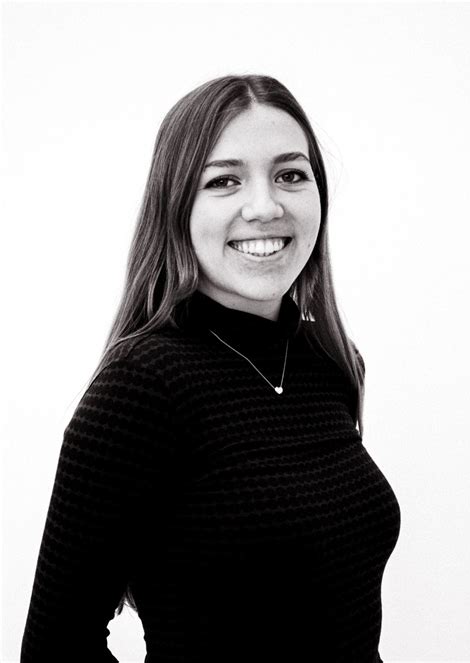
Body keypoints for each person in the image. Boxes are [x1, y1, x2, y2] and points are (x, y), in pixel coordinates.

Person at [20, 74, 401, 663]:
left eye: (290, 175)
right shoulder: (143, 386)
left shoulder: (329, 361)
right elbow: (57, 647)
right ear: (177, 206)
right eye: (224, 180)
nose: (265, 206)